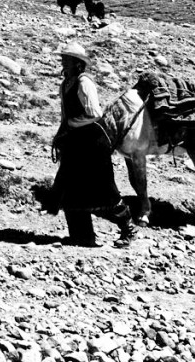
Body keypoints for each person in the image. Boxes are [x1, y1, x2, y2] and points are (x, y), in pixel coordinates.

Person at [50, 42, 136, 248]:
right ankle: (82, 236)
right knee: (70, 189)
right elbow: (65, 114)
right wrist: (62, 134)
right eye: (64, 58)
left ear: (77, 63)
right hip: (74, 143)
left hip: (92, 144)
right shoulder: (67, 83)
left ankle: (128, 229)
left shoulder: (84, 83)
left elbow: (95, 114)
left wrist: (72, 124)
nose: (63, 62)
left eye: (67, 59)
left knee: (103, 190)